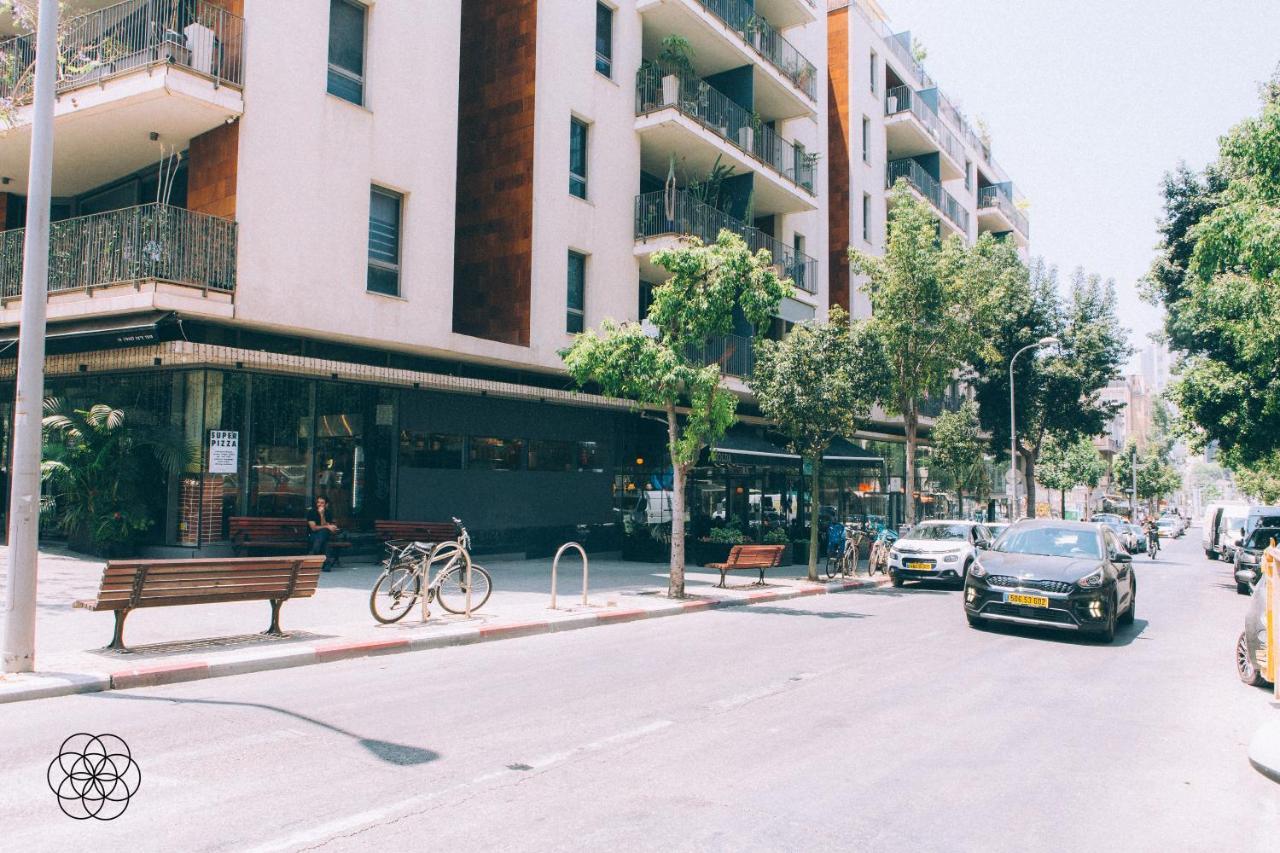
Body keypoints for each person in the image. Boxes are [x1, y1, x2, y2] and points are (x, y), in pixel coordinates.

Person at [306, 496, 340, 571]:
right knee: (325, 540)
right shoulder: (312, 512)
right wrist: (327, 526)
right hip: (312, 535)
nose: (319, 504)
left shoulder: (328, 513)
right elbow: (313, 528)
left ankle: (314, 552)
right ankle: (326, 564)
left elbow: (329, 527)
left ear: (326, 504)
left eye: (322, 503)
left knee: (323, 533)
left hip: (322, 537)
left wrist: (322, 515)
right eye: (318, 502)